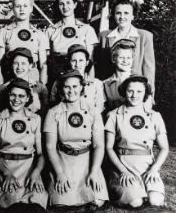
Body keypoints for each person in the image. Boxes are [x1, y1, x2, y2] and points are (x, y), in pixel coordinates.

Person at [44, 69, 108, 208]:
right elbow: (50, 147)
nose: (71, 91)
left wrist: (94, 171)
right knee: (60, 203)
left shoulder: (93, 111)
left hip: (87, 160)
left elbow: (99, 145)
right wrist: (59, 174)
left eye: (75, 86)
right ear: (61, 89)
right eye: (67, 87)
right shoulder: (53, 112)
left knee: (97, 201)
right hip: (63, 160)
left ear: (81, 87)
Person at [105, 75, 169, 208]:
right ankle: (118, 191)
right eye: (130, 91)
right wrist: (123, 171)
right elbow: (109, 148)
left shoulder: (155, 116)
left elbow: (164, 148)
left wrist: (154, 169)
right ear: (124, 92)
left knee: (155, 201)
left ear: (146, 92)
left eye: (139, 91)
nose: (135, 95)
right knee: (136, 202)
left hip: (147, 166)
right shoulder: (114, 115)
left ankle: (144, 190)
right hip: (123, 165)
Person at [0, 78, 48, 209]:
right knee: (11, 201)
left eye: (21, 96)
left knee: (37, 199)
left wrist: (36, 172)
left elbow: (40, 153)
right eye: (13, 95)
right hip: (7, 167)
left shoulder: (35, 119)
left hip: (29, 167)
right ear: (8, 95)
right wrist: (6, 173)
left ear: (27, 98)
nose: (16, 99)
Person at [96, 0, 155, 92]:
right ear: (113, 15)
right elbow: (99, 68)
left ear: (133, 16)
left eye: (126, 13)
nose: (122, 17)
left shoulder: (144, 36)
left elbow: (149, 69)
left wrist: (149, 95)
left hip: (135, 93)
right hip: (110, 91)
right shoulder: (103, 36)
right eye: (118, 13)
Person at [0, 0, 49, 85]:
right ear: (13, 8)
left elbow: (43, 65)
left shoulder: (40, 35)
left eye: (25, 6)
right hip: (10, 82)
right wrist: (0, 87)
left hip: (33, 82)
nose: (21, 9)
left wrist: (42, 88)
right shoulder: (3, 32)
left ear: (31, 8)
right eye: (18, 6)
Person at [46, 0, 98, 85]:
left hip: (80, 81)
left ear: (75, 4)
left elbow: (91, 61)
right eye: (61, 4)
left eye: (68, 3)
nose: (65, 7)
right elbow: (47, 62)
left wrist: (90, 83)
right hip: (58, 80)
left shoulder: (87, 29)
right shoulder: (51, 30)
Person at [0, 47, 48, 116]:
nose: (19, 67)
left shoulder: (40, 88)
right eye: (15, 63)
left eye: (23, 63)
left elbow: (45, 113)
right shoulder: (2, 89)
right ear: (11, 65)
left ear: (30, 66)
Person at [50, 44, 105, 112]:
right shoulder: (58, 82)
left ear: (87, 62)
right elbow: (54, 106)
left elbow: (99, 109)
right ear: (69, 62)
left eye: (81, 60)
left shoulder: (96, 84)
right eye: (74, 61)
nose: (77, 64)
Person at [103, 39, 135, 113]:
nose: (125, 61)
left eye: (128, 58)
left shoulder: (141, 82)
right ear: (113, 59)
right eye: (121, 57)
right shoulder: (105, 84)